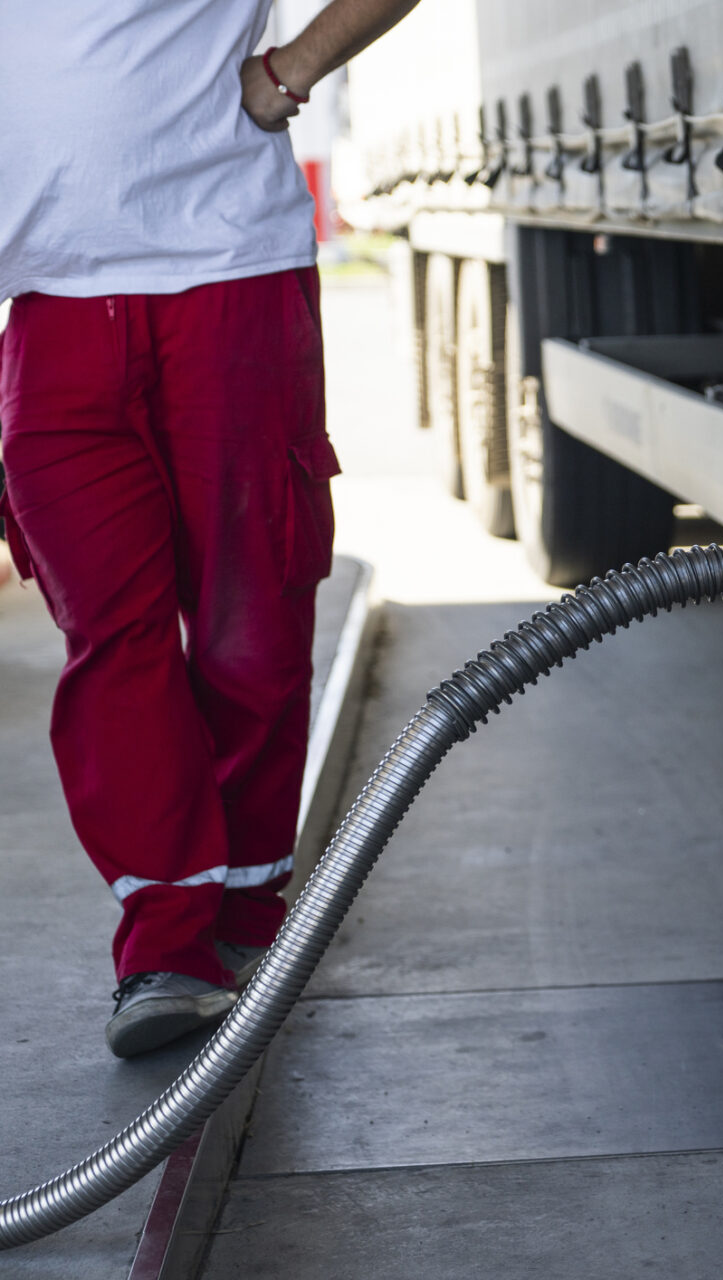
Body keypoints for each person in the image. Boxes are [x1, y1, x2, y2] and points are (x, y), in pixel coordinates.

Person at [0, 0, 418, 1058]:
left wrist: (293, 70)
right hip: (48, 311)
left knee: (250, 627)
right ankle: (167, 942)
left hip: (225, 274)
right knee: (112, 640)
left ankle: (241, 915)